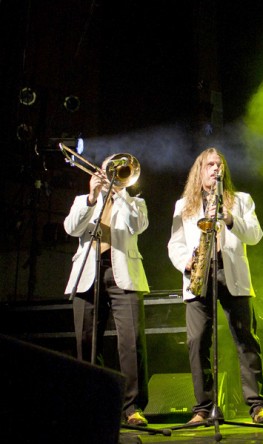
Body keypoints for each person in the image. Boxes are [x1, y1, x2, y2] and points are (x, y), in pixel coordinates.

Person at [167, 147, 263, 425]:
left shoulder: (240, 200)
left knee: (245, 338)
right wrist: (185, 262)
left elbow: (255, 235)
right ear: (199, 170)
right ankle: (204, 407)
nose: (216, 169)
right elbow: (175, 244)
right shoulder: (184, 205)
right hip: (199, 273)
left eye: (219, 165)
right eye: (210, 165)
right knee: (197, 341)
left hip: (231, 272)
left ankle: (257, 406)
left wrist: (229, 219)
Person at [64, 156, 149, 426]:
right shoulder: (83, 200)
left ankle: (133, 407)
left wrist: (120, 194)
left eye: (118, 170)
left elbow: (139, 224)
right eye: (109, 169)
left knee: (131, 342)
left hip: (123, 274)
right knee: (87, 343)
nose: (114, 173)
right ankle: (94, 405)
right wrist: (92, 197)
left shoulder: (134, 202)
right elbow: (71, 228)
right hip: (88, 275)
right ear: (100, 172)